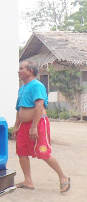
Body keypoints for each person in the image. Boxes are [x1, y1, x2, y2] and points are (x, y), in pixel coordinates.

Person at [12, 61, 70, 193]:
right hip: (24, 125)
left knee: (43, 152)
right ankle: (28, 181)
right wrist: (16, 126)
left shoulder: (36, 86)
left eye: (21, 68)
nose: (19, 71)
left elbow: (39, 106)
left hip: (38, 123)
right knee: (21, 152)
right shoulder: (22, 88)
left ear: (30, 71)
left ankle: (63, 177)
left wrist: (34, 127)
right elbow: (19, 108)